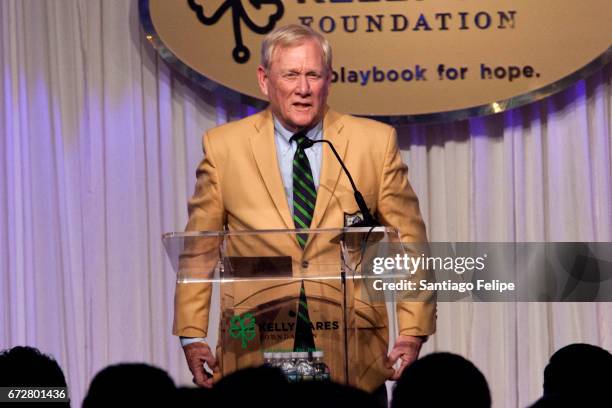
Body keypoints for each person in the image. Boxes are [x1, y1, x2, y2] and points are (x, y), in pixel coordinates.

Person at [173, 24, 436, 397]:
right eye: (291, 75)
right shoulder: (223, 147)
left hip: (352, 358)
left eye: (313, 75)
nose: (303, 88)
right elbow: (199, 248)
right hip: (255, 352)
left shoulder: (374, 143)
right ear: (265, 80)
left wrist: (412, 330)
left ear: (329, 80)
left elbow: (409, 242)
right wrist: (191, 335)